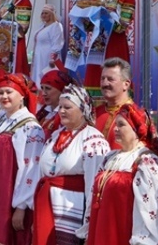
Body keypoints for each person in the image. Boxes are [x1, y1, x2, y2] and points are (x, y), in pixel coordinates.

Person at [0, 74, 45, 244]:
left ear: (22, 96)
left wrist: (21, 207)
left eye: (9, 92)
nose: (4, 96)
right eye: (1, 92)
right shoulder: (1, 122)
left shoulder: (30, 127)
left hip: (9, 200)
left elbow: (31, 169)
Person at [33, 84, 110, 245]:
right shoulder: (56, 135)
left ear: (83, 109)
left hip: (73, 210)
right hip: (48, 207)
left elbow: (94, 186)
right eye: (60, 107)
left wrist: (89, 224)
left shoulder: (93, 140)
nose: (61, 111)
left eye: (67, 107)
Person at [86, 106, 158, 245]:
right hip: (101, 230)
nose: (115, 129)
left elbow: (150, 210)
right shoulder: (110, 158)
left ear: (137, 129)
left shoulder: (146, 161)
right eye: (115, 125)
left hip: (124, 234)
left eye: (121, 125)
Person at [71, 0, 135, 98]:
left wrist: (106, 14)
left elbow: (122, 25)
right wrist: (82, 16)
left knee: (114, 71)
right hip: (97, 43)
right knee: (95, 73)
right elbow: (89, 25)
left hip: (115, 43)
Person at [94, 57, 137, 149]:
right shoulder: (94, 113)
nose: (104, 84)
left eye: (110, 79)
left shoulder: (137, 117)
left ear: (126, 84)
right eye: (102, 79)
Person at [31, 4, 64, 85]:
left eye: (46, 13)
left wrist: (52, 58)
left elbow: (57, 43)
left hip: (47, 56)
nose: (43, 15)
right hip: (39, 56)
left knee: (47, 75)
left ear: (52, 14)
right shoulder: (42, 26)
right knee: (38, 74)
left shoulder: (56, 26)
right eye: (42, 13)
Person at [35, 69, 73, 138]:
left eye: (48, 88)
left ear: (62, 90)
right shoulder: (43, 113)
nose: (43, 93)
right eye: (42, 88)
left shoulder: (68, 116)